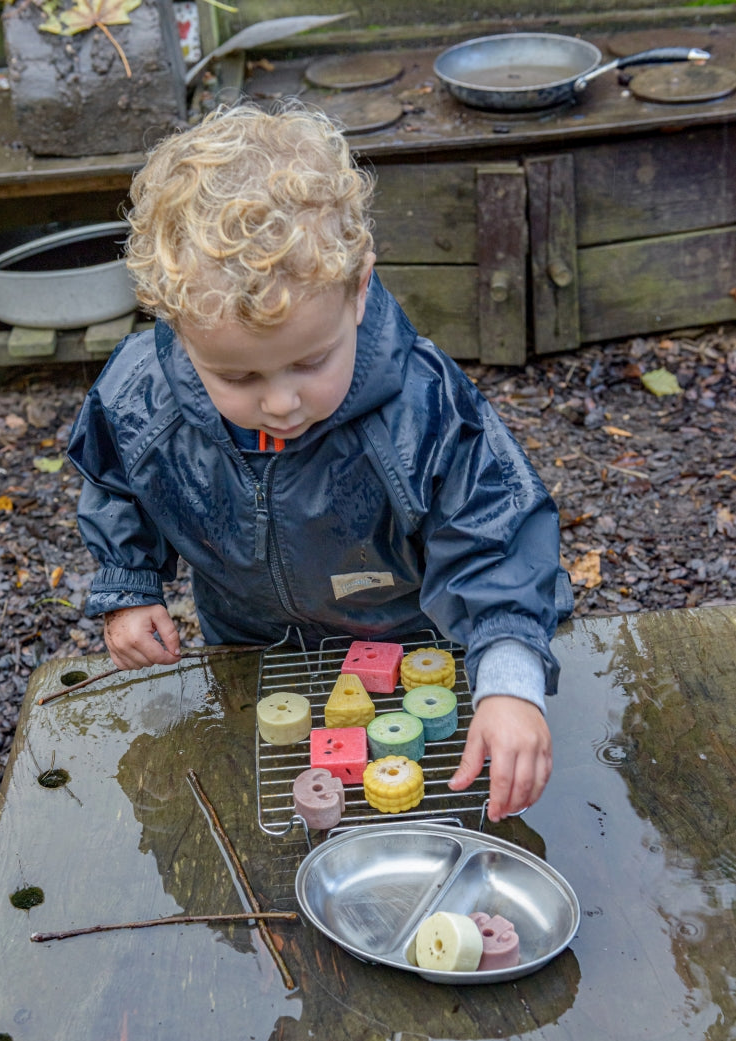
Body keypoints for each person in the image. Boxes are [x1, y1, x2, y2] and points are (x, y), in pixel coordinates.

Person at [68, 101, 573, 822]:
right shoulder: (140, 396)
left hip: (410, 644)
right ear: (175, 331)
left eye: (310, 362)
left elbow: (495, 535)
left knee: (417, 800)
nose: (280, 403)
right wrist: (129, 583)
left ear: (359, 289)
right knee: (271, 805)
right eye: (238, 378)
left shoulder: (421, 408)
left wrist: (508, 681)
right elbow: (116, 480)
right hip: (250, 643)